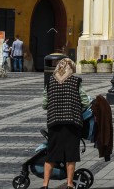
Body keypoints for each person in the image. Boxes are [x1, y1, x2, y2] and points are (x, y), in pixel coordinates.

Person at [42, 57, 89, 189]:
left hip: (54, 123)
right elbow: (85, 101)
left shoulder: (50, 81)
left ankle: (45, 184)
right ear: (71, 68)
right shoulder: (76, 81)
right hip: (72, 123)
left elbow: (44, 104)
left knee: (51, 155)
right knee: (71, 155)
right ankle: (69, 184)